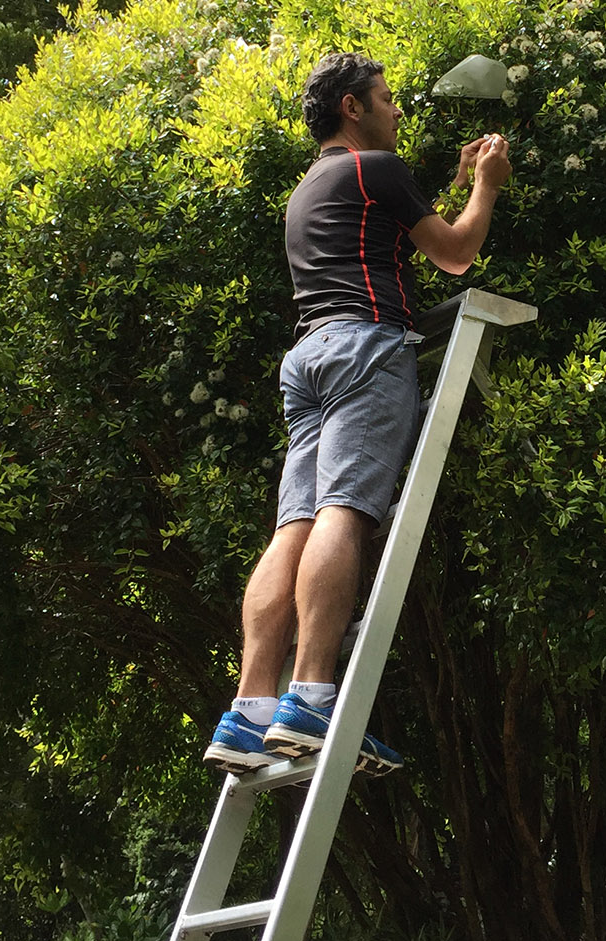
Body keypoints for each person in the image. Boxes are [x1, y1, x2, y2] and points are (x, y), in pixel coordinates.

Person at [203, 53, 513, 774]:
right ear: (353, 107)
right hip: (364, 351)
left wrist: (454, 187)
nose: (398, 111)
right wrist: (488, 190)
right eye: (387, 98)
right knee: (346, 509)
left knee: (294, 526)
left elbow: (382, 232)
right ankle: (310, 700)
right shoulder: (378, 171)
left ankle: (250, 712)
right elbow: (457, 254)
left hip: (307, 359)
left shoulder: (311, 189)